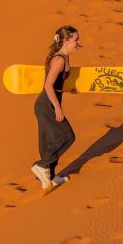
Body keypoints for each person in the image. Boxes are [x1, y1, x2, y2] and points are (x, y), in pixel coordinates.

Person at [31, 26, 79, 189]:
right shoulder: (58, 60)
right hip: (46, 104)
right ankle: (41, 165)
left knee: (47, 141)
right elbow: (48, 85)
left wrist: (69, 89)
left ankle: (49, 177)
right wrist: (57, 108)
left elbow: (58, 83)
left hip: (50, 102)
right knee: (67, 136)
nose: (77, 43)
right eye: (75, 40)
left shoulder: (65, 57)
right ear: (65, 41)